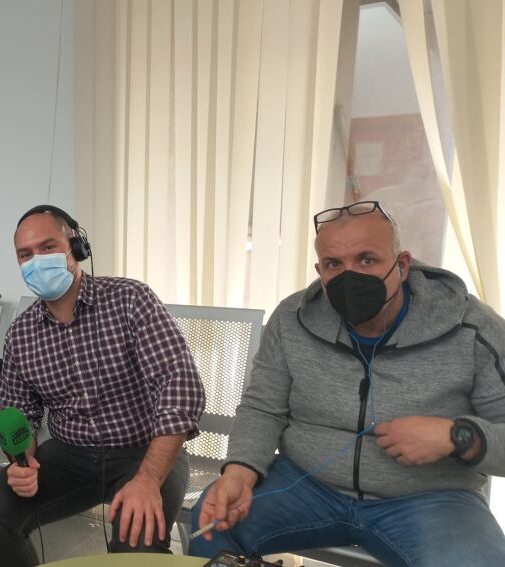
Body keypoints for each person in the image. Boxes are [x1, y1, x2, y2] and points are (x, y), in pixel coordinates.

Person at [191, 201, 505, 566]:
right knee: (212, 520)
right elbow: (262, 407)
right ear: (319, 270)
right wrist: (240, 472)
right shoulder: (292, 318)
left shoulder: (474, 329)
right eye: (334, 264)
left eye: (367, 259)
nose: (348, 275)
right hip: (306, 485)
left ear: (401, 265)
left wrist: (457, 436)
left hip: (430, 497)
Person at [0, 205, 205, 566]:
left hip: (143, 450)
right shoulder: (20, 334)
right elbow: (19, 412)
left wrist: (146, 480)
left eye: (48, 247)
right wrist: (22, 462)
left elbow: (180, 384)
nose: (37, 260)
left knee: (136, 544)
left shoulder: (130, 300)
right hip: (70, 454)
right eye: (25, 254)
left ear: (76, 248)